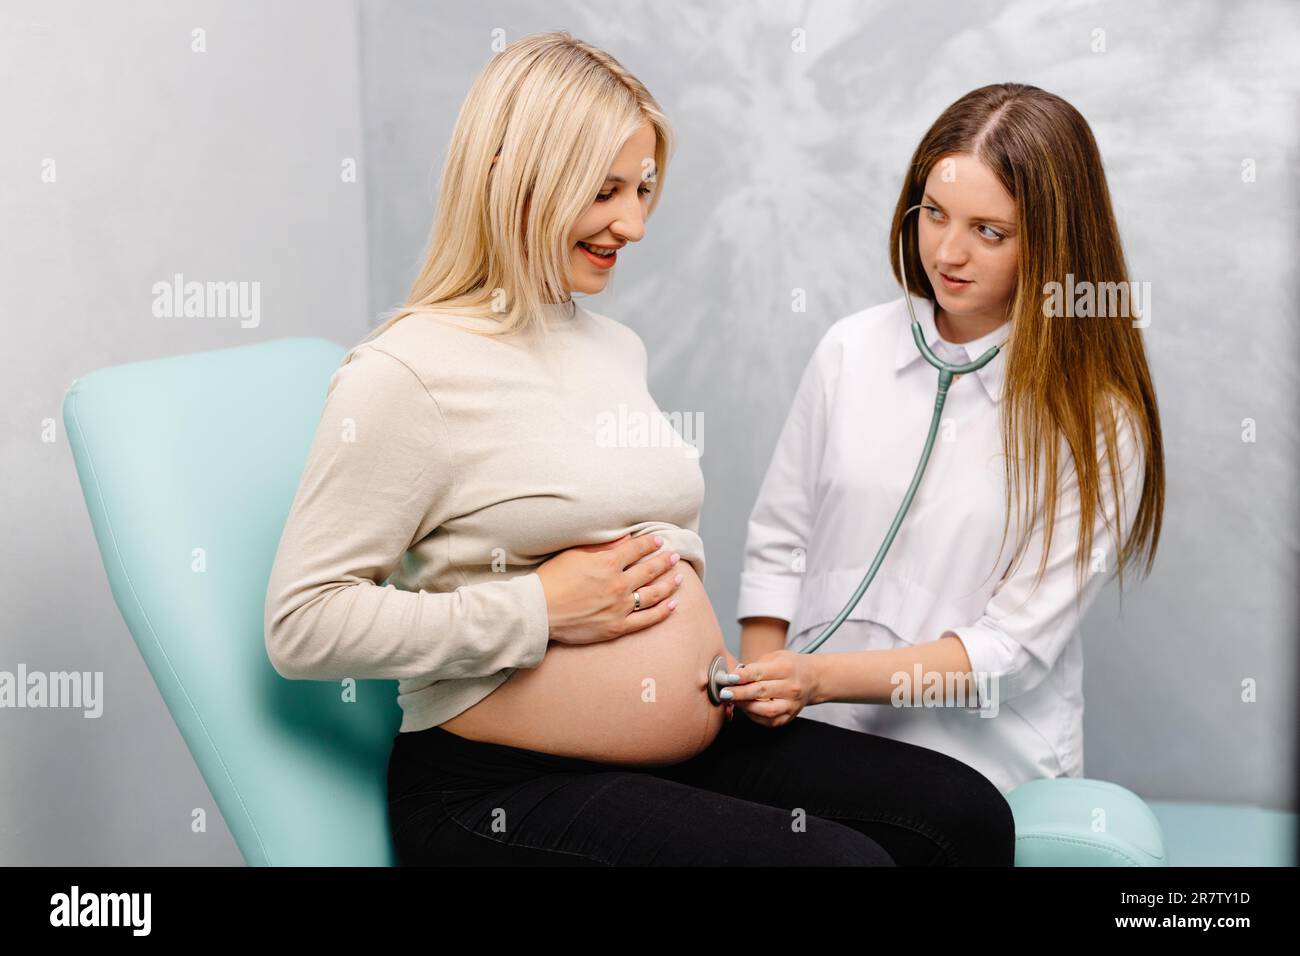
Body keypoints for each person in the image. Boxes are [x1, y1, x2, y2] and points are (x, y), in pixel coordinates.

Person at [264, 32, 1015, 866]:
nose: (635, 223)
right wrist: (540, 608)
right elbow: (304, 624)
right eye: (606, 190)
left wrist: (708, 663)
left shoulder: (610, 344)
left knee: (966, 816)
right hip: (497, 790)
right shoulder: (404, 374)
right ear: (516, 175)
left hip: (694, 742)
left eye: (645, 189)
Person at [734, 83, 1165, 796]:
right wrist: (764, 706)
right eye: (934, 214)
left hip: (973, 761)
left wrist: (818, 679)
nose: (948, 252)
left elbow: (1013, 652)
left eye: (989, 232)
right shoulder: (850, 349)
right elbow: (779, 541)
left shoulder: (1096, 423)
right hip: (814, 736)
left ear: (1053, 244)